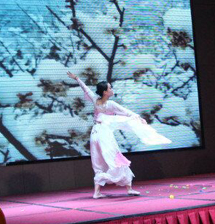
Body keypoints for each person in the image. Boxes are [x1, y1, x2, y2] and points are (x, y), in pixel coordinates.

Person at [67, 71, 171, 199]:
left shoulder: (95, 100)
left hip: (95, 133)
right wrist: (139, 118)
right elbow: (126, 112)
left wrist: (77, 78)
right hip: (104, 134)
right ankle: (128, 188)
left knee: (98, 160)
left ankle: (97, 192)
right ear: (105, 92)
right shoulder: (111, 104)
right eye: (110, 88)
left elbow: (86, 89)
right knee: (116, 158)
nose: (112, 89)